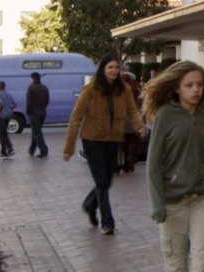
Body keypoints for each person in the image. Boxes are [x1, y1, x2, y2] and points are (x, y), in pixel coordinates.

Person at [143, 60, 204, 272]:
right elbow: (153, 164)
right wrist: (157, 205)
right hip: (173, 203)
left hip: (203, 199)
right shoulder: (165, 114)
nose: (196, 90)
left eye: (199, 85)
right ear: (177, 88)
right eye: (189, 85)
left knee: (201, 264)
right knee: (175, 265)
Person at [62, 55, 147, 235]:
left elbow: (133, 111)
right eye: (110, 67)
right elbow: (76, 117)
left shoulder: (123, 89)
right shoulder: (91, 90)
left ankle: (89, 204)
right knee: (102, 181)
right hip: (92, 140)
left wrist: (140, 126)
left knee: (107, 180)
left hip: (113, 139)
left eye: (116, 67)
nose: (114, 70)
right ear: (102, 69)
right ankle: (107, 222)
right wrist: (69, 147)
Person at [120, 70, 143, 173]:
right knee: (134, 143)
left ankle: (126, 163)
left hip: (122, 122)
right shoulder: (138, 90)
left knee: (124, 145)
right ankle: (131, 160)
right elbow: (142, 106)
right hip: (135, 120)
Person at [26, 71, 50, 158]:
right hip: (42, 112)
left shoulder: (31, 88)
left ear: (32, 78)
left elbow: (29, 102)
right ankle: (31, 150)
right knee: (36, 131)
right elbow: (47, 101)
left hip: (34, 113)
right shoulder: (45, 88)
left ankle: (44, 150)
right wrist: (42, 108)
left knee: (37, 132)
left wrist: (28, 111)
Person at [0, 81, 16, 159]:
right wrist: (10, 110)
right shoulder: (9, 95)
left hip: (2, 116)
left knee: (2, 134)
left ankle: (5, 151)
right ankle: (9, 149)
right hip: (8, 115)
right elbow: (14, 104)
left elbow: (0, 104)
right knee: (4, 132)